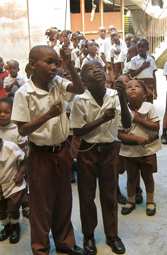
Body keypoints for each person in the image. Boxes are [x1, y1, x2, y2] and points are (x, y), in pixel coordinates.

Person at [12, 44, 85, 255]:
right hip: (41, 155)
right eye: (48, 62)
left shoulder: (58, 83)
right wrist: (48, 115)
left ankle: (65, 242)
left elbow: (80, 90)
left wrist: (69, 64)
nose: (54, 67)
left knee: (64, 200)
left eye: (56, 62)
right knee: (41, 205)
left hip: (62, 151)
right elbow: (23, 129)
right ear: (33, 65)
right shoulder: (24, 93)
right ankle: (41, 248)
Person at [71, 60, 131, 255]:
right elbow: (79, 131)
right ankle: (88, 236)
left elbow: (127, 123)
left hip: (109, 150)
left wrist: (122, 97)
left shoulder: (114, 95)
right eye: (90, 69)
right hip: (87, 151)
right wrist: (103, 119)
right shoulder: (80, 100)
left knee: (109, 194)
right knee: (87, 196)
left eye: (99, 67)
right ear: (83, 79)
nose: (96, 70)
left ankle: (112, 235)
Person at [118, 79, 161, 216]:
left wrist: (138, 119)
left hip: (147, 150)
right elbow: (120, 135)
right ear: (125, 95)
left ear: (144, 95)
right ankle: (130, 201)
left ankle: (150, 201)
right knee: (131, 177)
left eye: (137, 86)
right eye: (129, 87)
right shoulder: (122, 110)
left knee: (148, 177)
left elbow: (156, 127)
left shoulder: (149, 108)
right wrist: (136, 139)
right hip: (129, 151)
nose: (132, 88)